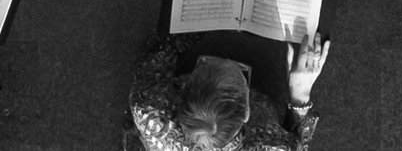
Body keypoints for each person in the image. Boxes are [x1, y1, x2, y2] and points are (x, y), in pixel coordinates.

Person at [128, 33, 329, 151]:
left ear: (184, 89)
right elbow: (298, 145)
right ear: (248, 112)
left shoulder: (148, 108)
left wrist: (186, 32)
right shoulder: (274, 146)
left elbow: (154, 62)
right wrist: (299, 98)